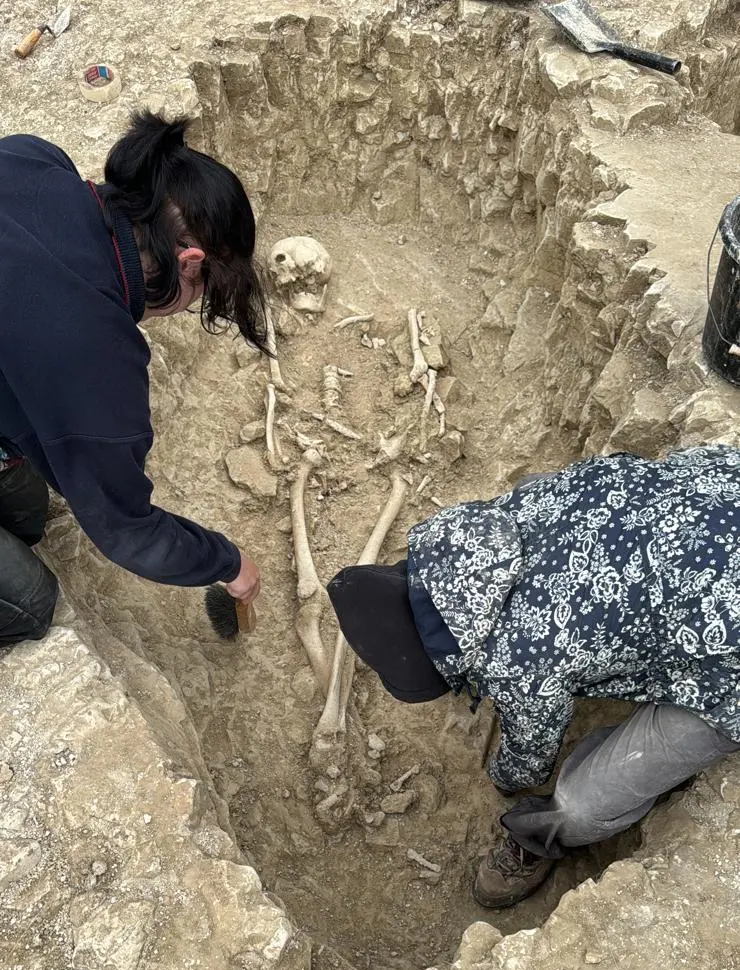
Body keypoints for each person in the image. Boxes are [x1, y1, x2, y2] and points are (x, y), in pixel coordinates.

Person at [327, 445, 740, 909]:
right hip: (721, 491)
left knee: (583, 803)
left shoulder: (519, 660)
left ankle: (538, 836)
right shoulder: (503, 514)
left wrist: (503, 778)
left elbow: (528, 760)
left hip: (727, 670)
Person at [0, 111, 266, 648]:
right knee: (28, 603)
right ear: (189, 262)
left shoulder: (31, 157)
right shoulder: (95, 358)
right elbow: (126, 530)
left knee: (29, 510)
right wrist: (229, 562)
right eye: (201, 297)